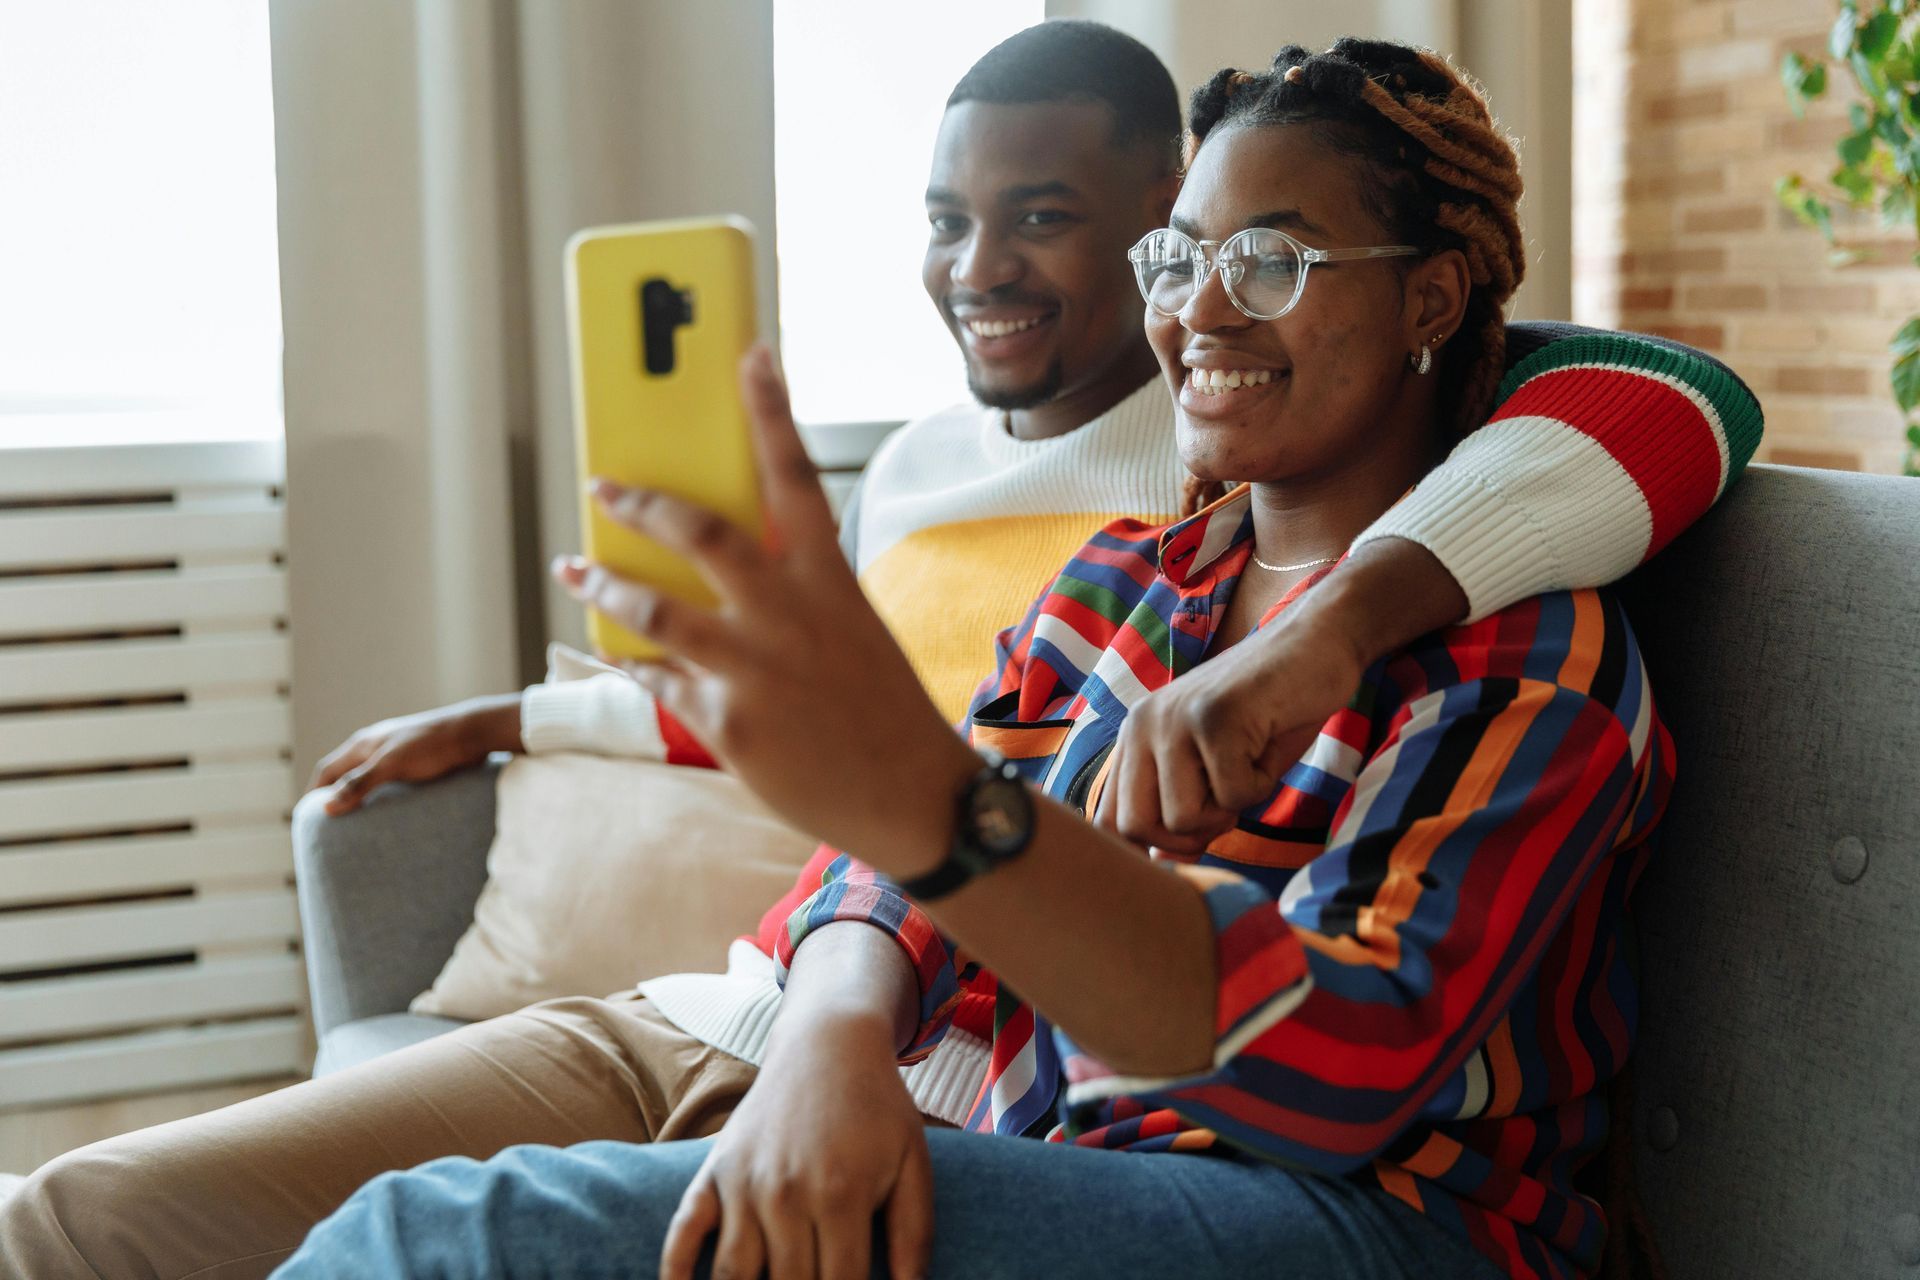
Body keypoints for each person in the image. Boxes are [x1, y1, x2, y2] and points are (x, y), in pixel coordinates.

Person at [0, 27, 1754, 1280]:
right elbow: (915, 837)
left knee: (440, 1246)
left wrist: (948, 823)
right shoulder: (1135, 574)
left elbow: (1340, 1073)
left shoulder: (1529, 651)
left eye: (1273, 262)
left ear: (1435, 299)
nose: (1201, 309)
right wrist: (842, 1024)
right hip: (1024, 1144)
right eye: (1185, 257)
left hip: (1358, 1220)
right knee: (92, 1226)